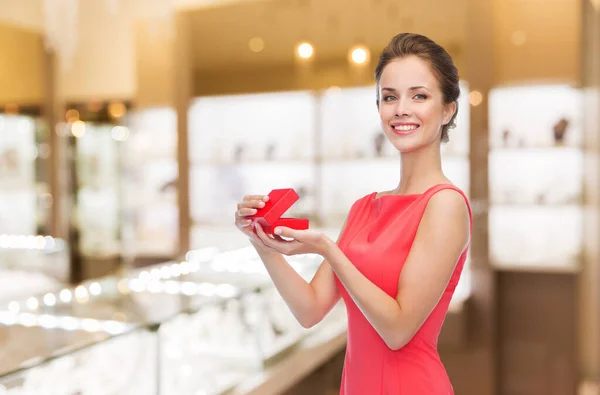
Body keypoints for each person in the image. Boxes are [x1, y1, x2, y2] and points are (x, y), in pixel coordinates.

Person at [234, 32, 471, 395]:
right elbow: (310, 310)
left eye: (419, 96)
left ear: (447, 109)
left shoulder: (445, 204)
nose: (401, 109)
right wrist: (261, 242)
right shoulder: (364, 207)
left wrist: (330, 250)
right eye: (389, 97)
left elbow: (397, 331)